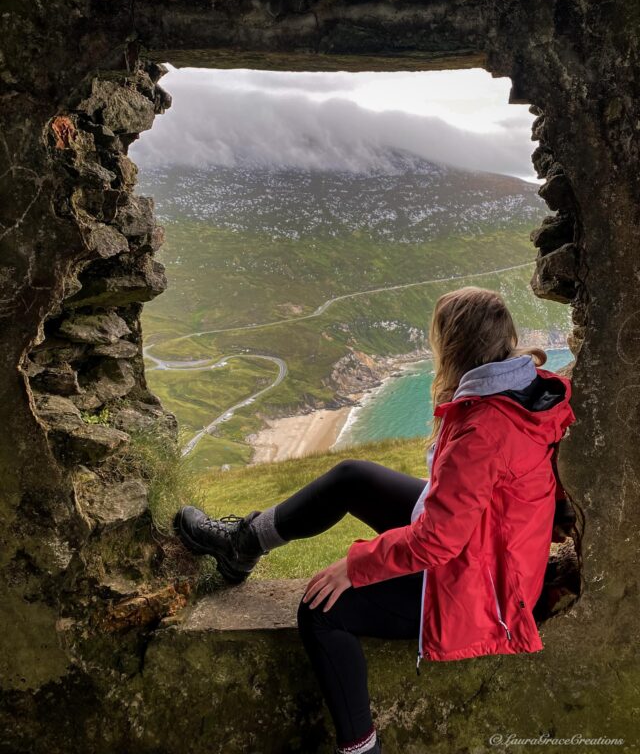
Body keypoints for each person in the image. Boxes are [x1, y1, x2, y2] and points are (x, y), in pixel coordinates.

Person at [173, 285, 577, 754]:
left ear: (454, 348)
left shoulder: (485, 426)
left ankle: (362, 748)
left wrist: (356, 566)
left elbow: (439, 541)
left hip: (478, 591)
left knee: (320, 609)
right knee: (352, 477)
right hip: (486, 552)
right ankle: (242, 545)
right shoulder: (527, 390)